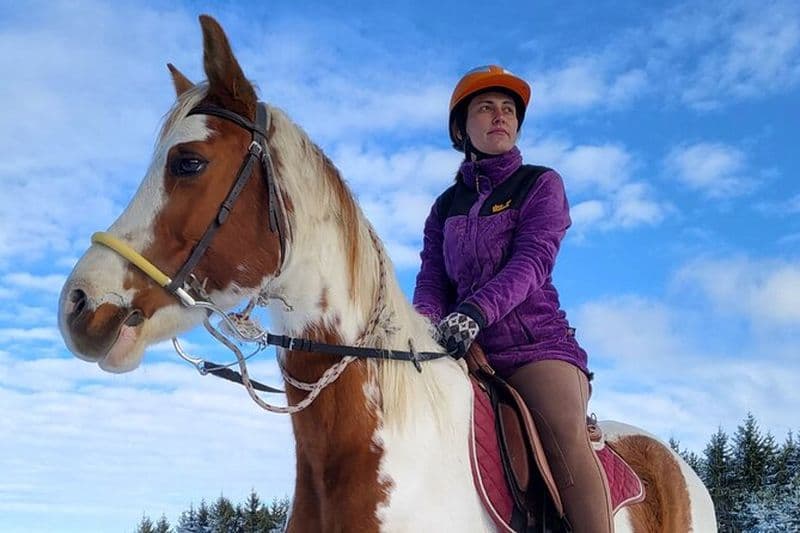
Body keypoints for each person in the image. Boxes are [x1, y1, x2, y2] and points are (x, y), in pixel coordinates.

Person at [413, 65, 613, 533]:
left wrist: (474, 311)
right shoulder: (444, 208)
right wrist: (423, 326)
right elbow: (432, 279)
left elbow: (533, 261)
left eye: (508, 109)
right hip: (464, 351)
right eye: (486, 108)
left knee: (562, 440)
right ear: (461, 129)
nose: (500, 116)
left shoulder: (540, 183)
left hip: (535, 347)